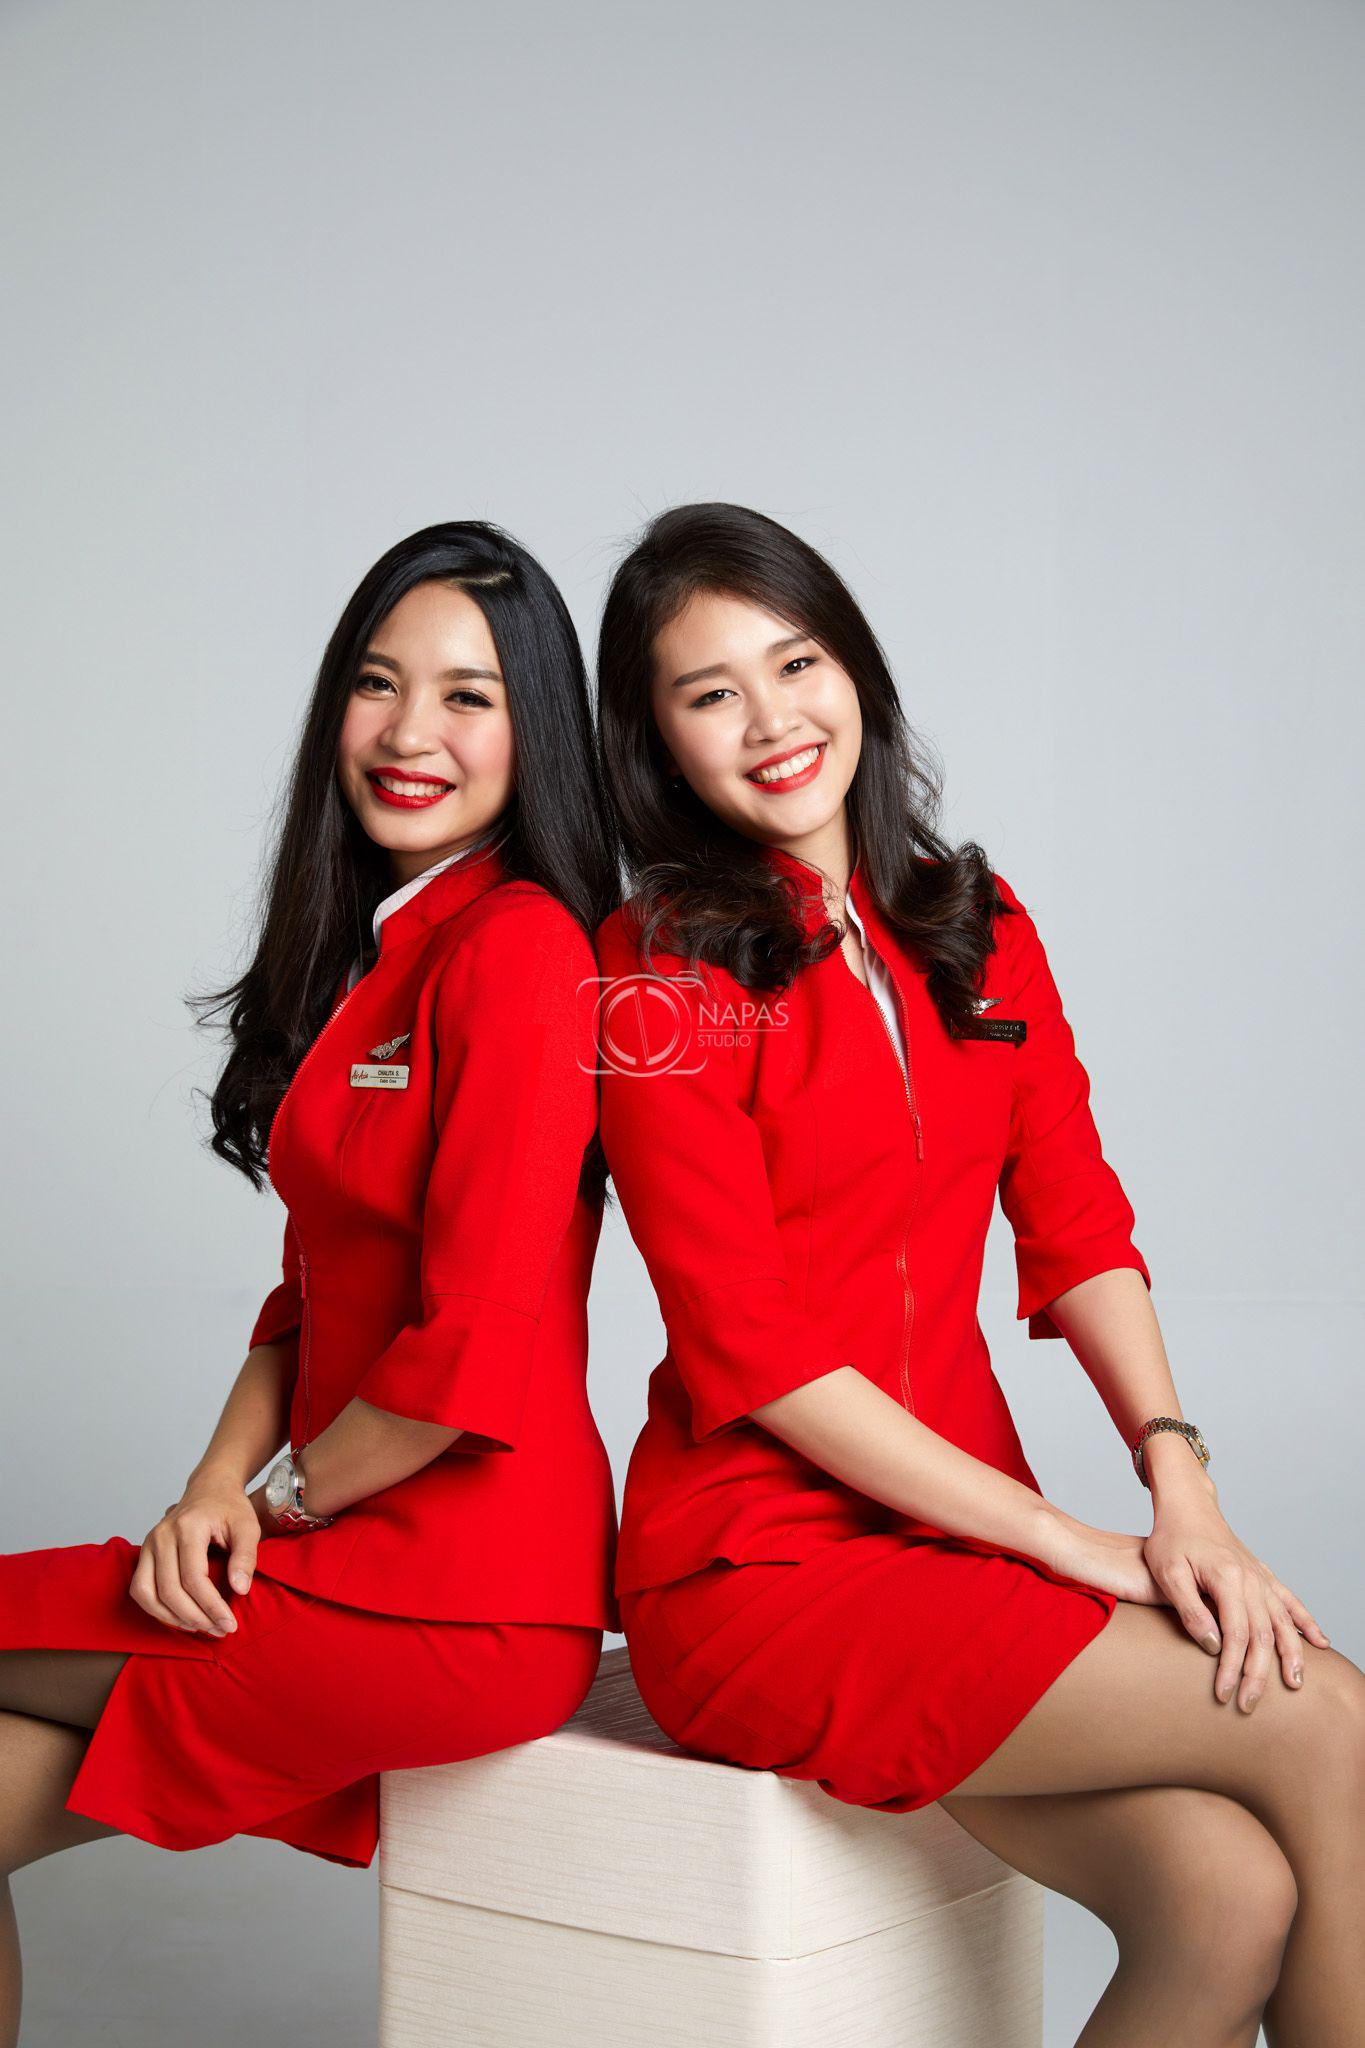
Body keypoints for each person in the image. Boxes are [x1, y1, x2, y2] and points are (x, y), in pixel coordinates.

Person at [590, 501, 1363, 2046]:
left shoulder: (977, 924)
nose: (771, 720)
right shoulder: (651, 971)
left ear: (854, 669)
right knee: (1320, 1714)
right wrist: (1064, 1543)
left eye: (795, 664)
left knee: (1220, 1899)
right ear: (657, 741)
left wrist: (1178, 1486)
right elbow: (751, 1346)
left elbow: (1078, 1227)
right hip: (759, 1573)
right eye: (710, 693)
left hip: (950, 1542)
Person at [0, 521, 620, 2045]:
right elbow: (306, 1301)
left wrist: (268, 1511)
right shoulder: (384, 955)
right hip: (355, 1551)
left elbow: (468, 1351)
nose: (410, 734)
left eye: (469, 696)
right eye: (377, 683)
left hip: (456, 1596)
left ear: (536, 733)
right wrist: (209, 1489)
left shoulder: (520, 950)